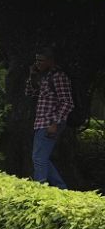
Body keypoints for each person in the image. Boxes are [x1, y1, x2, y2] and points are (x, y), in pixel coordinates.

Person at [25, 46, 73, 189]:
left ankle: (40, 190)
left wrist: (55, 122)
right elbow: (30, 93)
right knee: (41, 158)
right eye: (36, 60)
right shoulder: (45, 76)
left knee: (38, 158)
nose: (37, 63)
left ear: (50, 61)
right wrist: (32, 75)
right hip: (41, 122)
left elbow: (68, 102)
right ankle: (62, 189)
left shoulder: (58, 77)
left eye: (41, 60)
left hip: (49, 122)